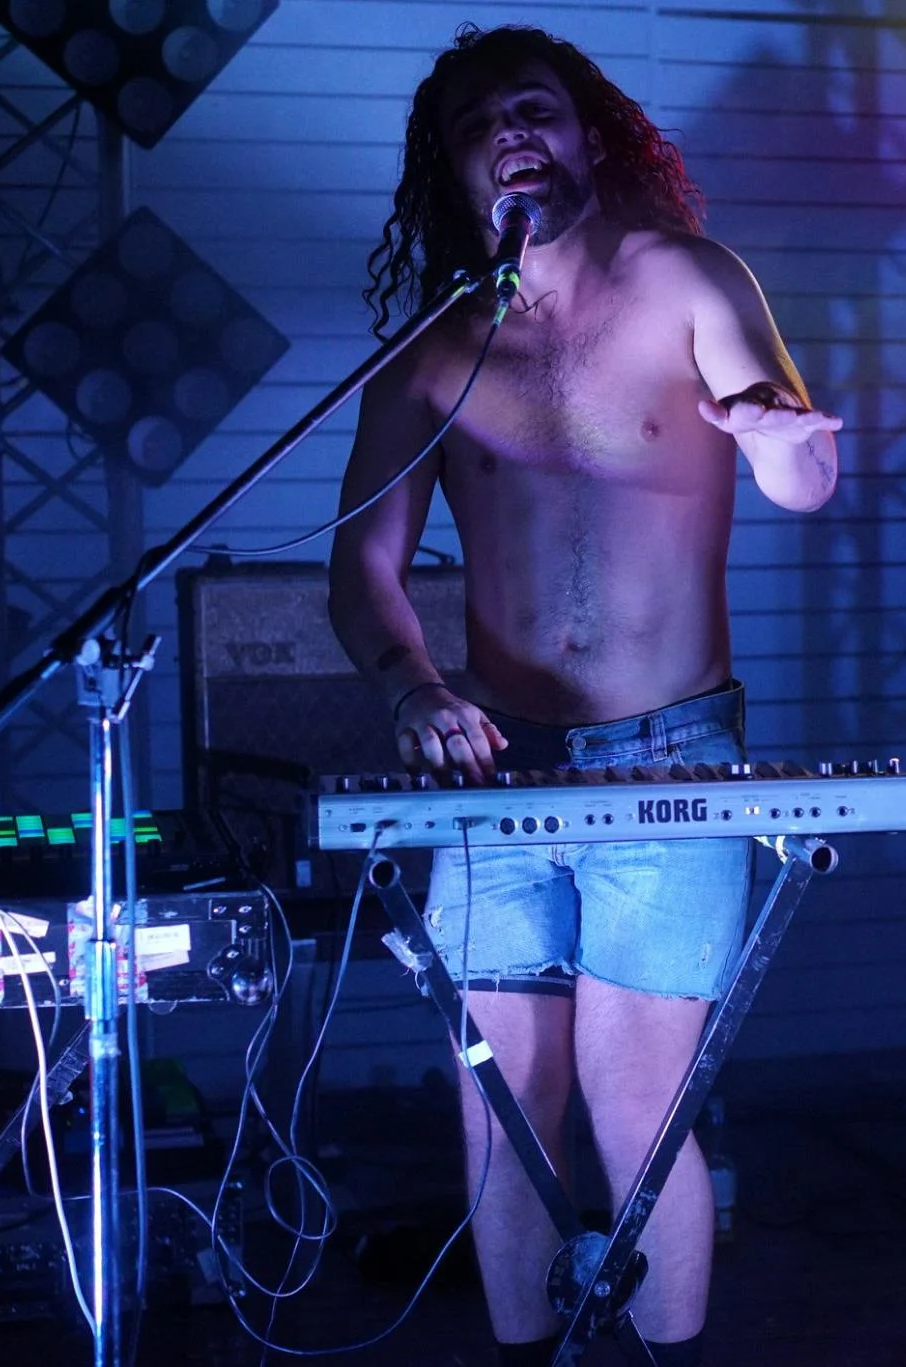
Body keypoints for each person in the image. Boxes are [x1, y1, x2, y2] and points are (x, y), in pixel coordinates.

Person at [328, 24, 840, 1366]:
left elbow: (799, 476)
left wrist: (784, 443)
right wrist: (411, 686)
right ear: (452, 171)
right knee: (501, 1111)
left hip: (668, 758)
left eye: (534, 109)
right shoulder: (436, 350)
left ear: (588, 133)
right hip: (495, 772)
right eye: (479, 123)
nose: (511, 133)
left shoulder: (685, 278)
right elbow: (363, 568)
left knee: (640, 1111)